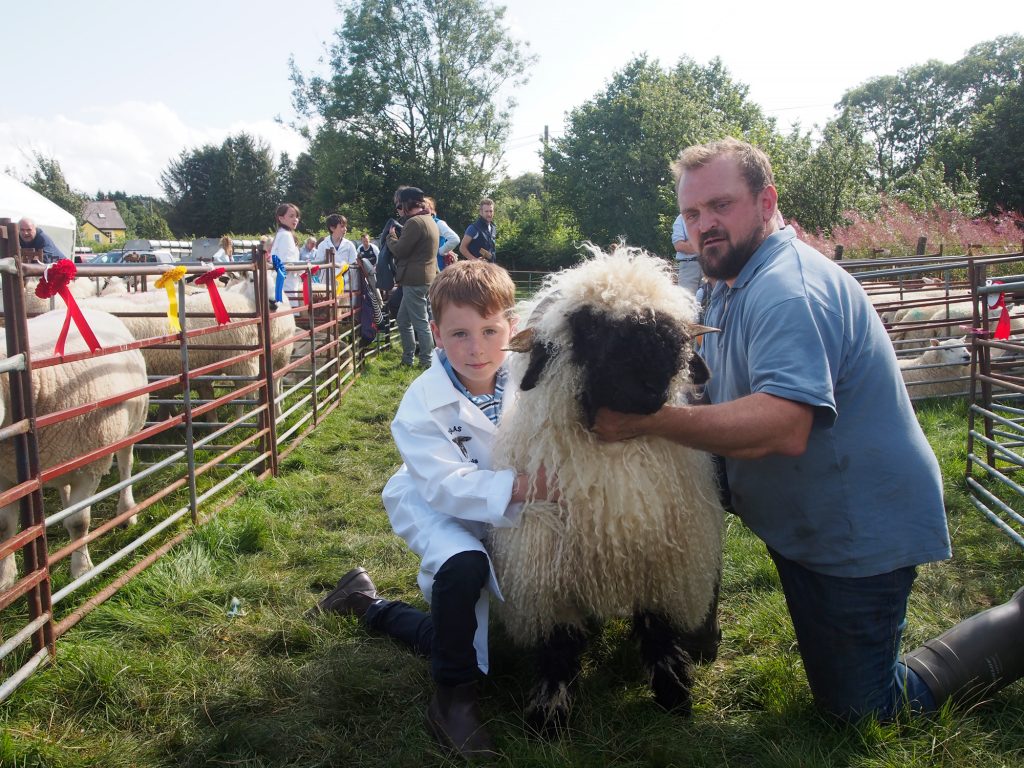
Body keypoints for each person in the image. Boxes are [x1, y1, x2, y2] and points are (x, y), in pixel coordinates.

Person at [592, 137, 1024, 721]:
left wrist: (650, 421)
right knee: (686, 479)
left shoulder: (786, 288)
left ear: (766, 201)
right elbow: (707, 384)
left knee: (865, 710)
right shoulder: (725, 283)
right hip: (796, 508)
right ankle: (687, 621)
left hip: (852, 526)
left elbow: (785, 425)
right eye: (692, 213)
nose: (704, 226)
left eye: (721, 206)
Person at [309, 261, 554, 758]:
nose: (477, 347)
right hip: (434, 503)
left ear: (512, 328)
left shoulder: (530, 382)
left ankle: (364, 603)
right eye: (460, 333)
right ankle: (453, 702)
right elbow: (444, 485)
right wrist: (523, 487)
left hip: (509, 502)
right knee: (465, 567)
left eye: (490, 331)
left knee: (457, 632)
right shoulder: (422, 402)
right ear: (436, 334)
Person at [388, 186, 440, 367]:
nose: (399, 210)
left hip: (415, 280)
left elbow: (400, 251)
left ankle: (427, 361)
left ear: (406, 203)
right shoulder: (429, 220)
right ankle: (408, 358)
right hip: (424, 279)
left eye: (399, 205)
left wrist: (391, 238)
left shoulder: (414, 223)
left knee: (420, 323)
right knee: (403, 320)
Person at [315, 214, 359, 293]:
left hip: (346, 285)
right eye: (342, 226)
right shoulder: (323, 245)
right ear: (332, 228)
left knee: (344, 305)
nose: (345, 229)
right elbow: (319, 265)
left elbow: (354, 266)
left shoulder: (349, 245)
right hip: (327, 285)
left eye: (345, 226)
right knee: (328, 304)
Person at [270, 203, 302, 305]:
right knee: (289, 314)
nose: (295, 219)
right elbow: (287, 263)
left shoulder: (282, 233)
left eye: (297, 216)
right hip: (287, 283)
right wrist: (305, 268)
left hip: (284, 282)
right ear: (281, 218)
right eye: (291, 216)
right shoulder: (286, 235)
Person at [424, 196, 459, 271]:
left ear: (431, 210)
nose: (423, 211)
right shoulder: (420, 224)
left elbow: (454, 239)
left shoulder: (439, 223)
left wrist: (440, 251)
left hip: (439, 267)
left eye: (426, 208)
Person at [671, 213, 702, 295]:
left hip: (710, 264)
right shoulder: (681, 218)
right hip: (688, 265)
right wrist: (703, 245)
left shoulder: (708, 215)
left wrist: (691, 243)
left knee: (713, 302)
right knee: (686, 302)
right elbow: (679, 246)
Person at [459, 198, 496, 263]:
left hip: (490, 267)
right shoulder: (473, 228)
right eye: (486, 211)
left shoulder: (493, 228)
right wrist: (475, 261)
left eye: (491, 211)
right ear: (481, 212)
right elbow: (462, 248)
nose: (489, 214)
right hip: (475, 269)